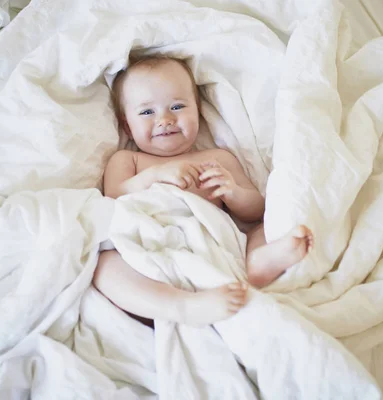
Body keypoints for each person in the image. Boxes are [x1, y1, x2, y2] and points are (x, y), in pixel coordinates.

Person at [93, 56, 313, 327]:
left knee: (260, 229)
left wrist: (232, 192)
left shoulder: (218, 159)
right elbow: (113, 199)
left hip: (209, 247)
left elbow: (256, 210)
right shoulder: (128, 161)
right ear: (128, 126)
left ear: (197, 113)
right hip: (148, 247)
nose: (165, 119)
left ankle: (257, 265)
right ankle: (180, 305)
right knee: (103, 265)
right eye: (147, 112)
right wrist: (156, 175)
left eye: (177, 106)